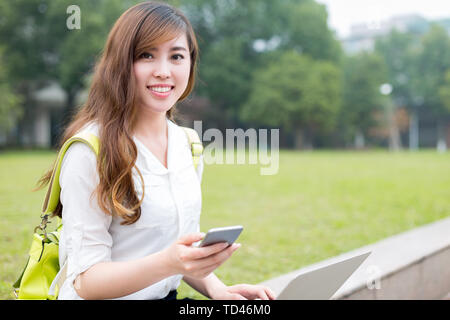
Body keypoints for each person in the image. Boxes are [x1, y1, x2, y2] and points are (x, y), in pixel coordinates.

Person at [37, 1, 275, 300]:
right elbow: (86, 281)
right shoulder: (90, 151)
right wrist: (168, 263)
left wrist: (220, 291)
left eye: (176, 56)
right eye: (146, 55)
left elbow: (178, 250)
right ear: (121, 63)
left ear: (190, 63)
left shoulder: (188, 145)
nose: (164, 71)